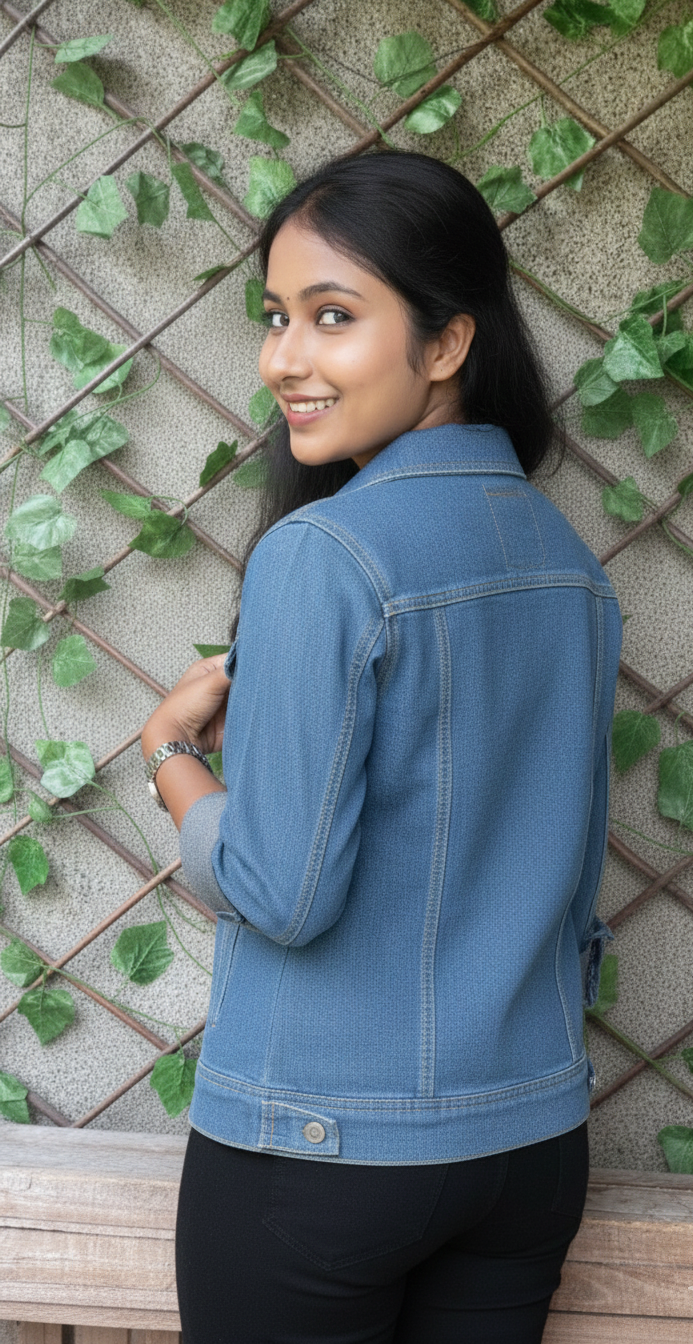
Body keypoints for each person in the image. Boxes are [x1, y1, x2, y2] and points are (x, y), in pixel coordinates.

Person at [140, 151, 622, 1344]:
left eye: (333, 318)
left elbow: (280, 890)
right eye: (275, 319)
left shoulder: (327, 557)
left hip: (322, 1154)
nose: (283, 361)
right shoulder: (571, 572)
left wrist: (170, 760)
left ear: (449, 343)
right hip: (526, 1148)